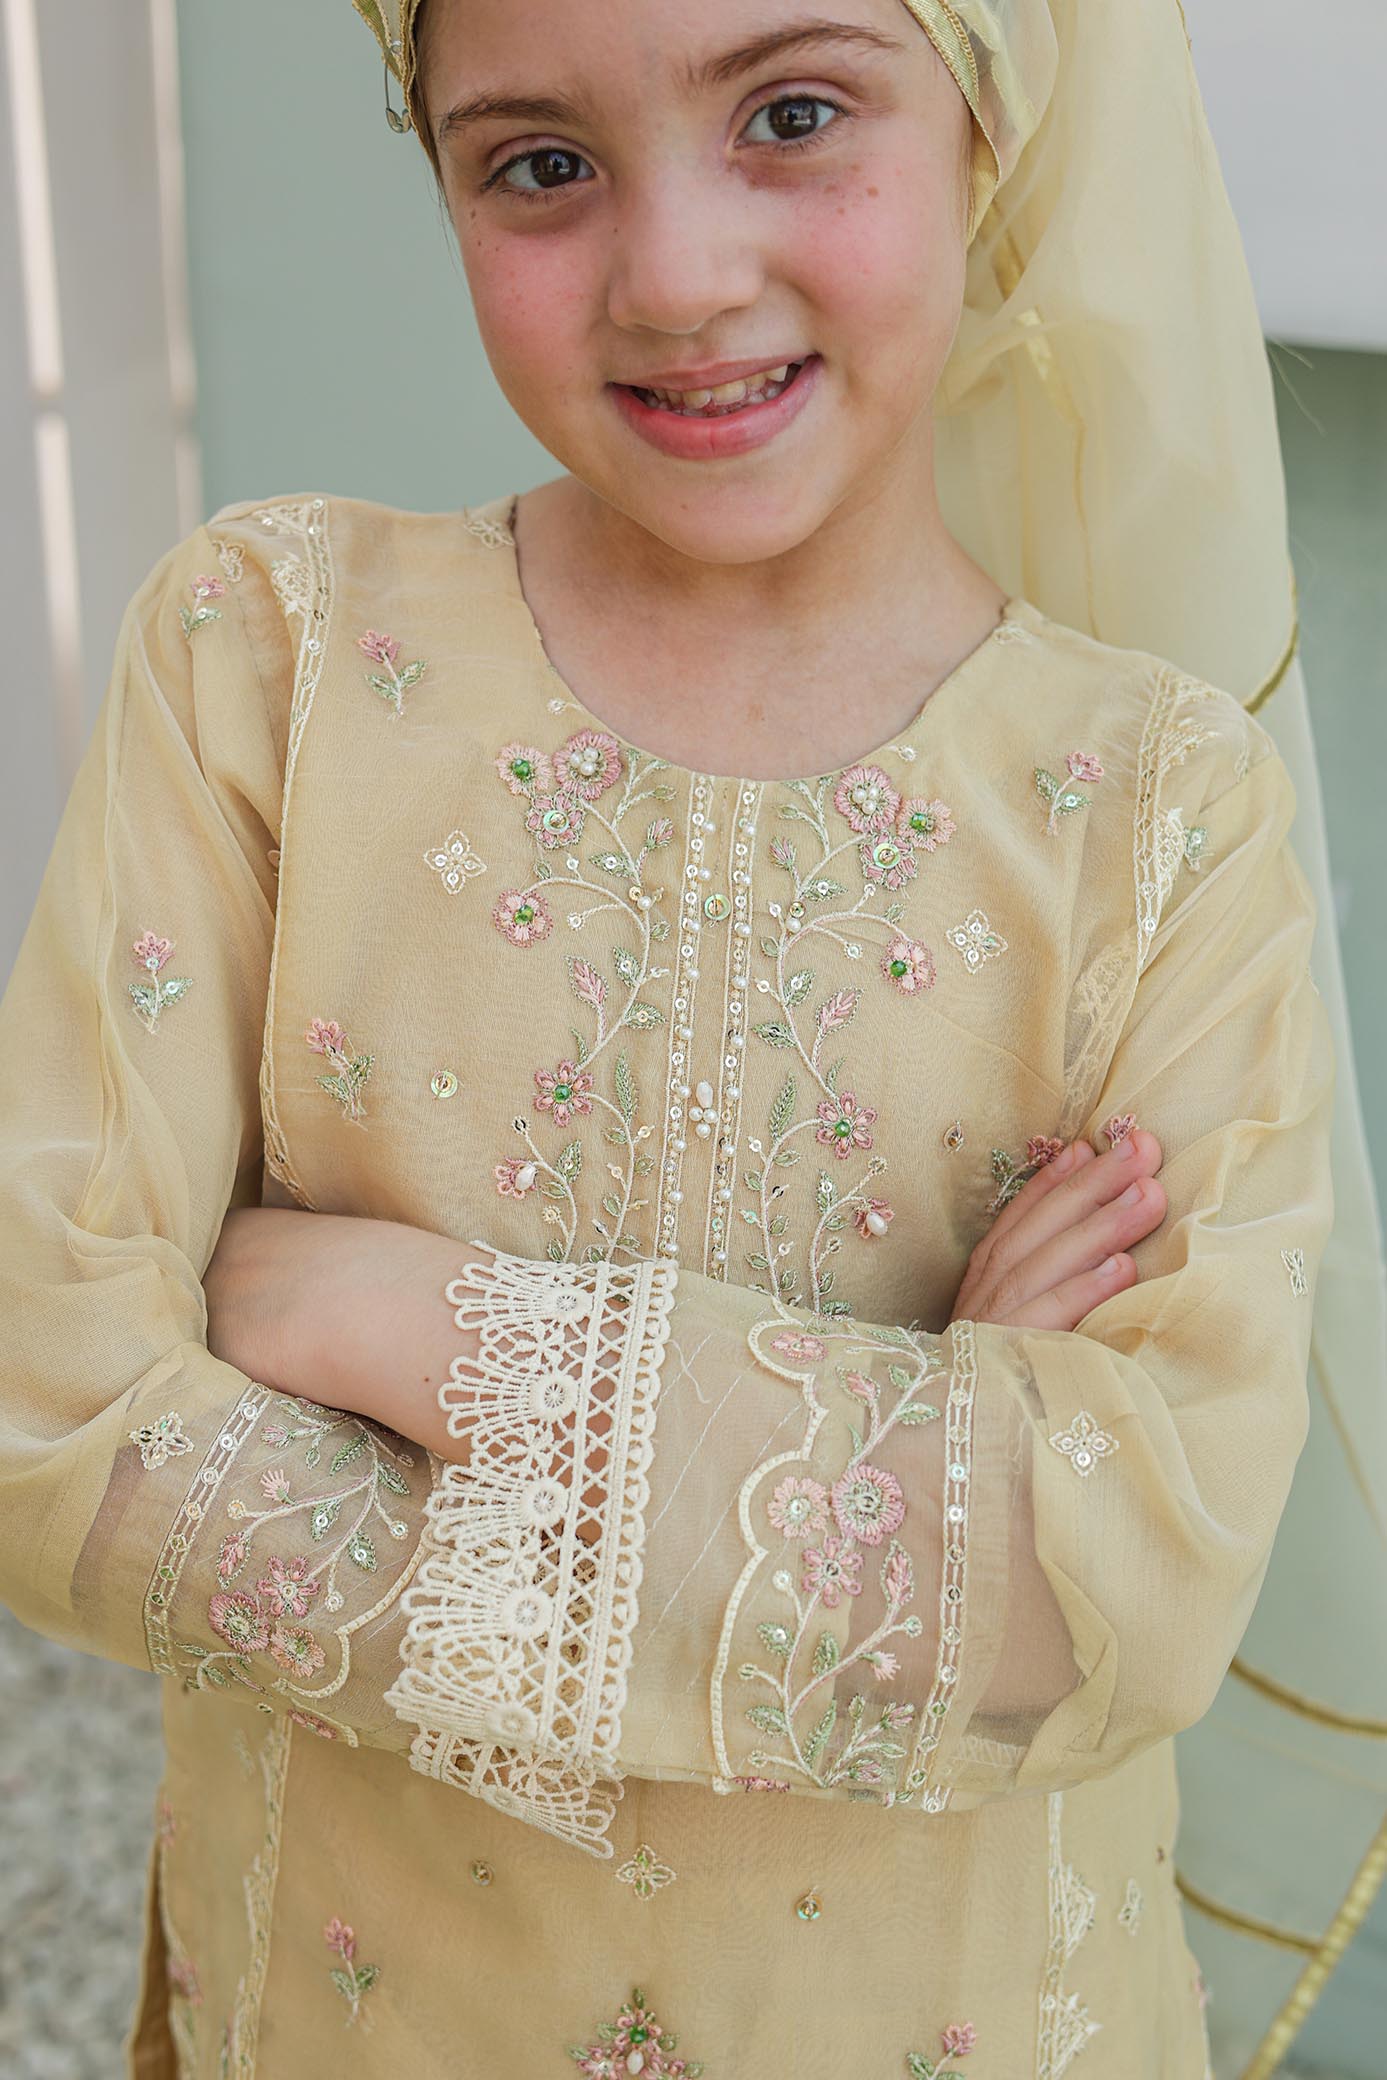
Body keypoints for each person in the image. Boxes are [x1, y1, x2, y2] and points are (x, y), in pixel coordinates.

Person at [0, 0, 1377, 2073]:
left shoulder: (1156, 807)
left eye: (795, 114)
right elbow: (52, 1426)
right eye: (537, 162)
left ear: (987, 122)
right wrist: (922, 1459)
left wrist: (411, 1333)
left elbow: (1118, 1584)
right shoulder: (263, 665)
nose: (675, 273)